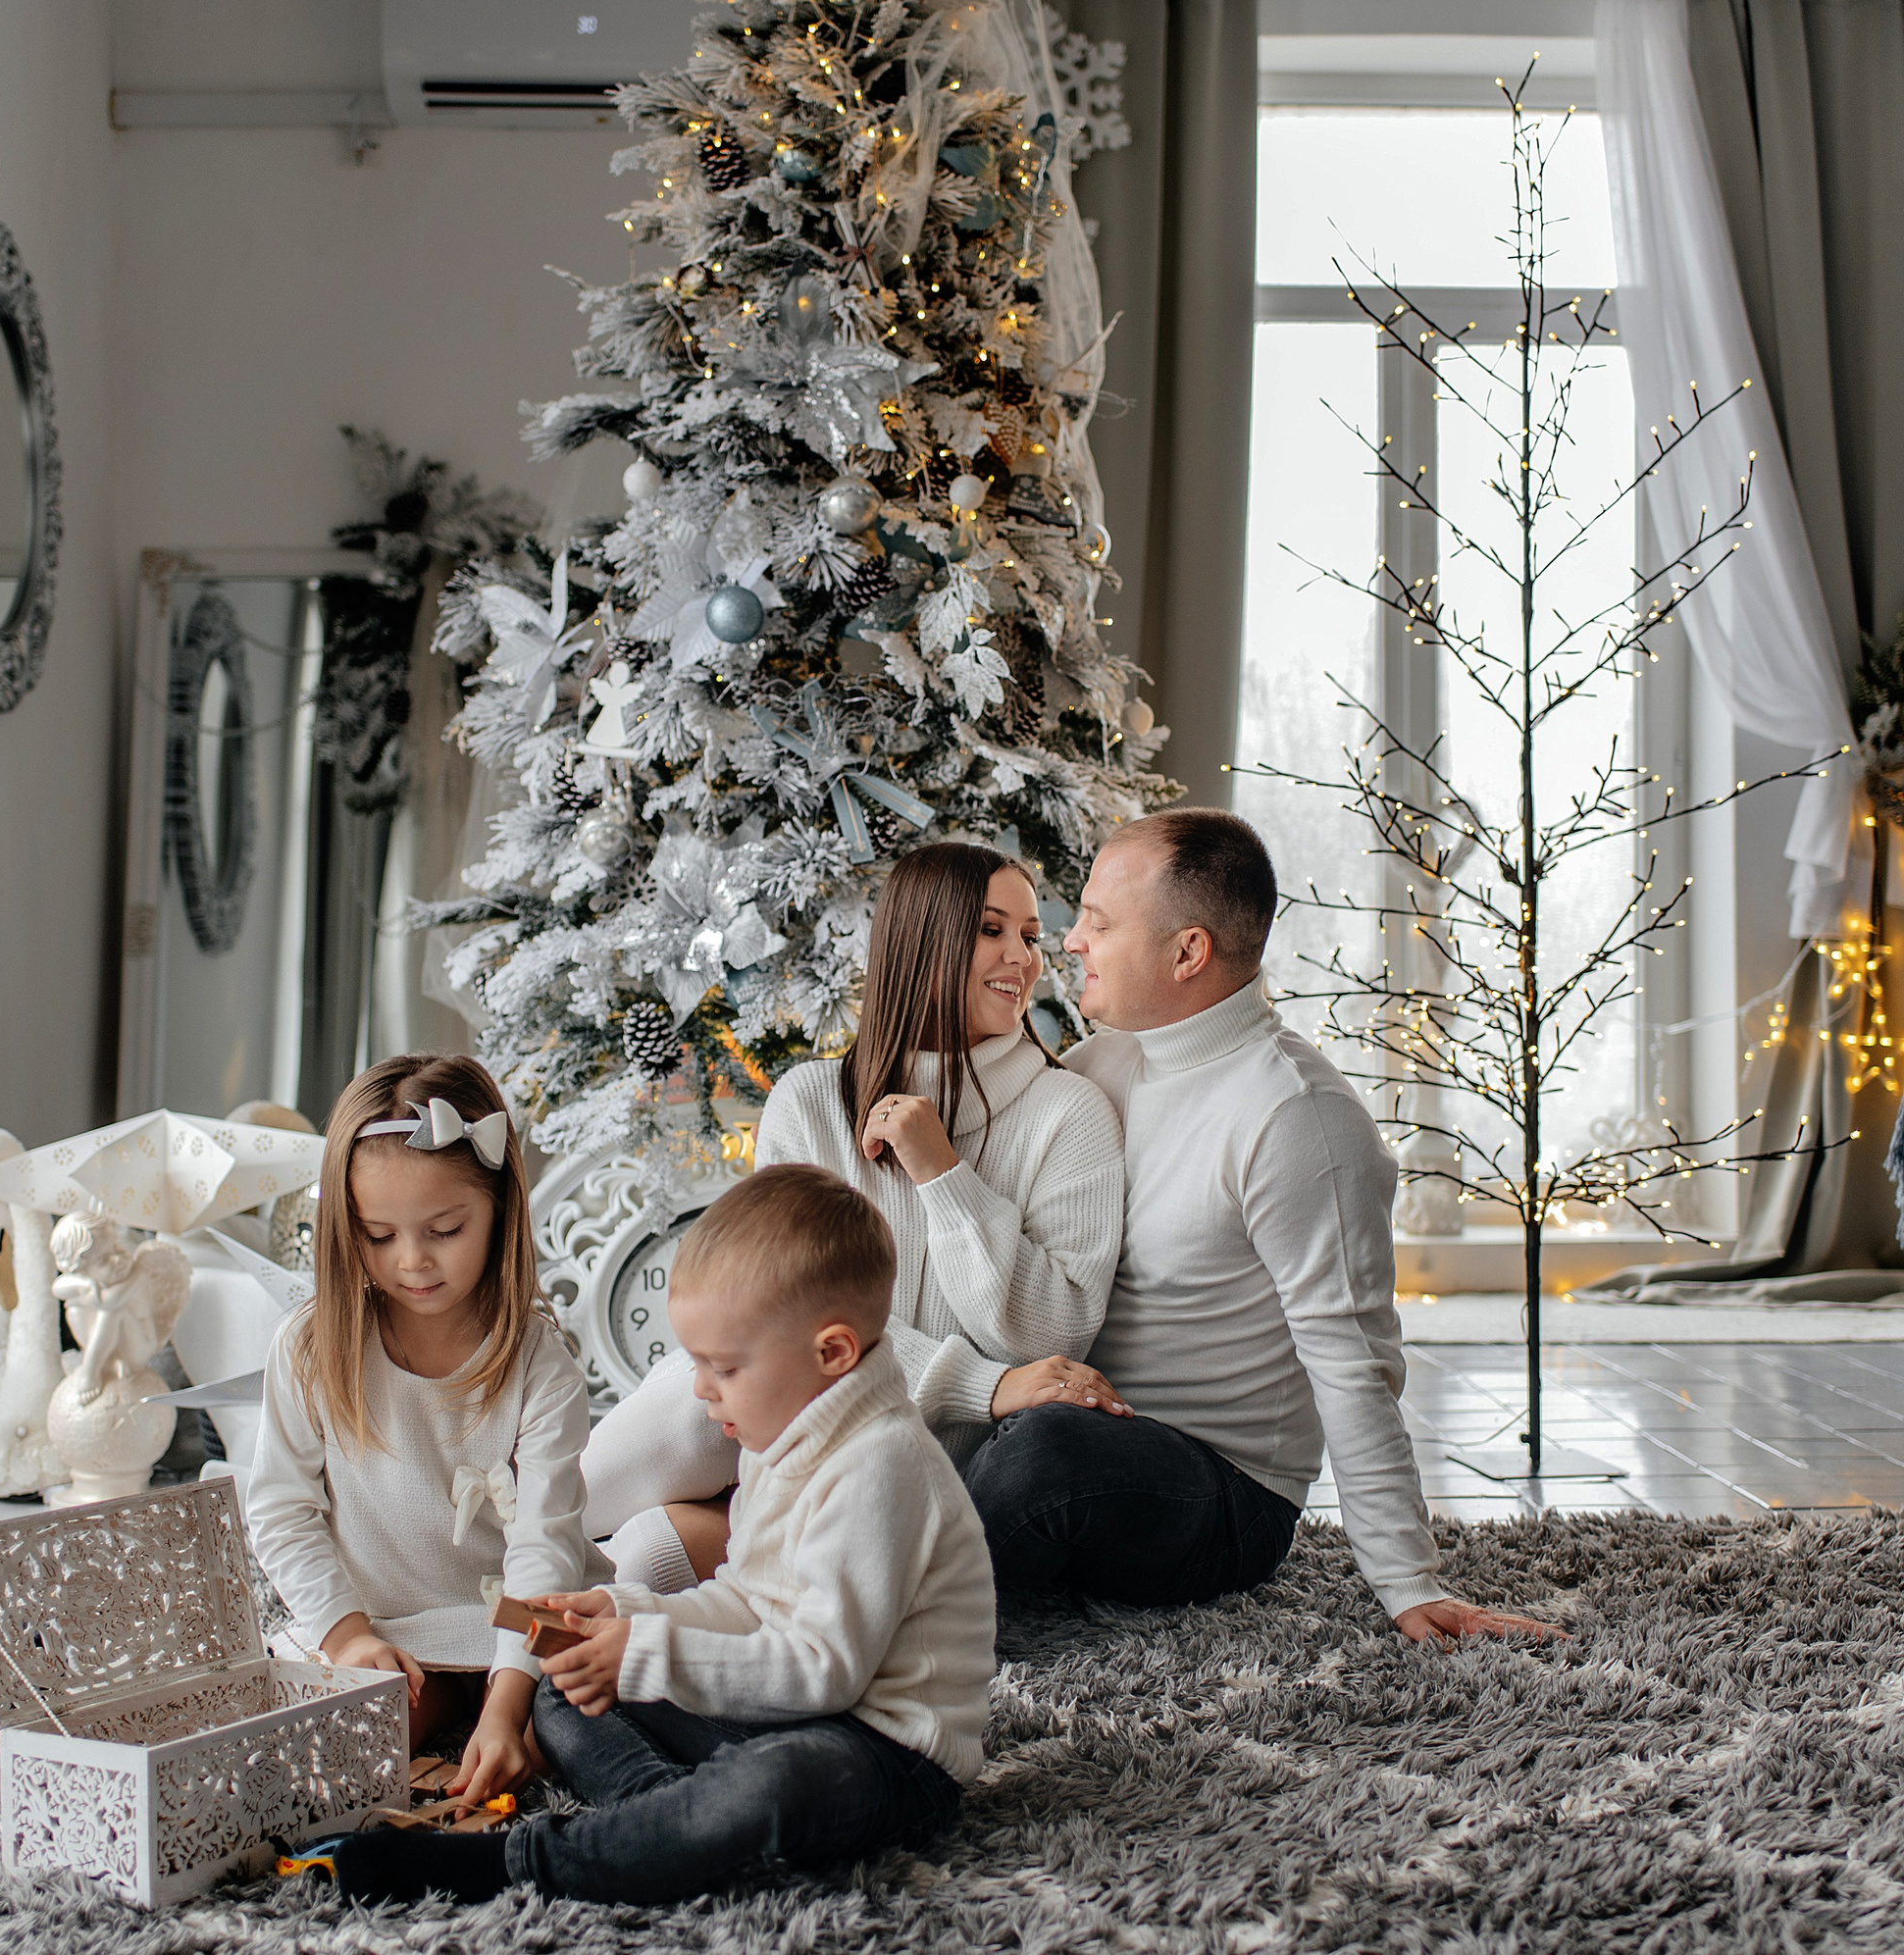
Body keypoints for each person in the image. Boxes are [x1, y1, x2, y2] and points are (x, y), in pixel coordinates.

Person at [317, 1164, 997, 1906]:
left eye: (723, 1368)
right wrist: (633, 1614)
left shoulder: (880, 1467)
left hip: (885, 1750)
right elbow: (748, 1601)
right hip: (784, 1708)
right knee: (564, 1691)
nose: (701, 1389)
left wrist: (648, 1654)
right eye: (695, 1364)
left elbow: (822, 1670)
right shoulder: (787, 1437)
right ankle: (671, 1819)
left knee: (774, 1783)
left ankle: (526, 1863)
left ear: (830, 1353)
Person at [993, 805, 1552, 1646]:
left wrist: (1407, 1582)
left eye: (1100, 923)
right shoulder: (1094, 1069)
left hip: (1219, 1495)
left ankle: (857, 1615)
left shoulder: (1299, 1118)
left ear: (1188, 952)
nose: (1069, 942)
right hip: (1070, 1422)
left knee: (1045, 1456)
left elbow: (1355, 1363)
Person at [583, 842, 1126, 1585]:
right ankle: (476, 1608)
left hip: (911, 1465)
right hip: (782, 1413)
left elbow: (1051, 1335)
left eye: (1030, 937)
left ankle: (496, 1627)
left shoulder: (1070, 1114)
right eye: (991, 930)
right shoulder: (809, 1103)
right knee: (691, 1394)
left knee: (646, 1555)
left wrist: (943, 1174)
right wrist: (982, 1383)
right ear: (921, 942)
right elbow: (777, 1316)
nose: (1022, 958)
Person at [245, 1054, 610, 1804]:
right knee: (320, 1758)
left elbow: (544, 1552)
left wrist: (509, 1707)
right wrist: (345, 1635)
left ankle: (504, 1706)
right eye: (378, 1236)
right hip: (386, 1625)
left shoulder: (539, 1364)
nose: (411, 1261)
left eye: (444, 1229)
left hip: (520, 1620)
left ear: (500, 1210)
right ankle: (452, 1703)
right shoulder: (311, 1349)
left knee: (584, 1726)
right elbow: (282, 1511)